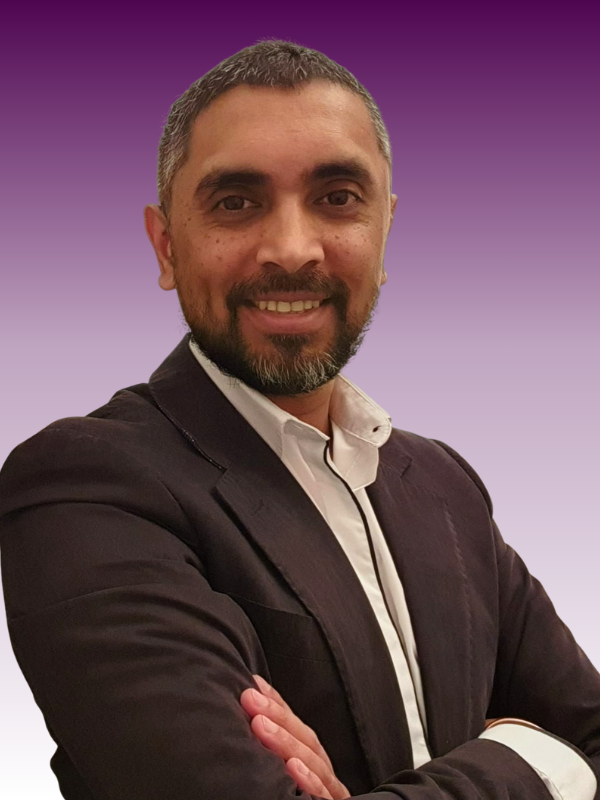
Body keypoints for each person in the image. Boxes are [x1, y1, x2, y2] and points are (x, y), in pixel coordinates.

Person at [0, 40, 598, 800]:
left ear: (384, 231)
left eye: (338, 197)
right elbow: (575, 748)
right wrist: (529, 757)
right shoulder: (85, 486)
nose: (290, 249)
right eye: (236, 202)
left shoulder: (444, 485)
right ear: (166, 247)